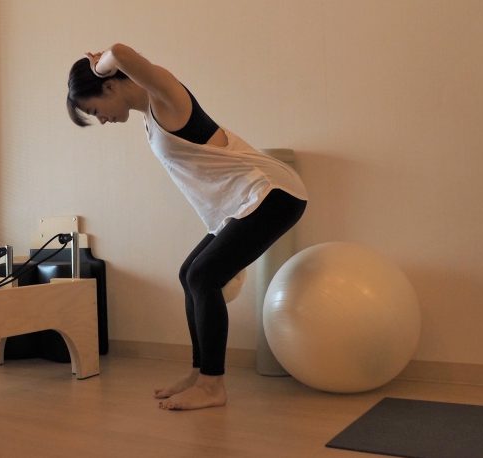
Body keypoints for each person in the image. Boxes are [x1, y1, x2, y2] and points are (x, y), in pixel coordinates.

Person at [66, 43, 308, 411]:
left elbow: (120, 52)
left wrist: (101, 65)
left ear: (110, 85)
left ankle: (213, 385)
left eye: (96, 110)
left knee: (203, 276)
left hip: (273, 192)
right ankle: (200, 374)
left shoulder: (168, 99)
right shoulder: (150, 115)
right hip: (244, 201)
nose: (101, 120)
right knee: (190, 274)